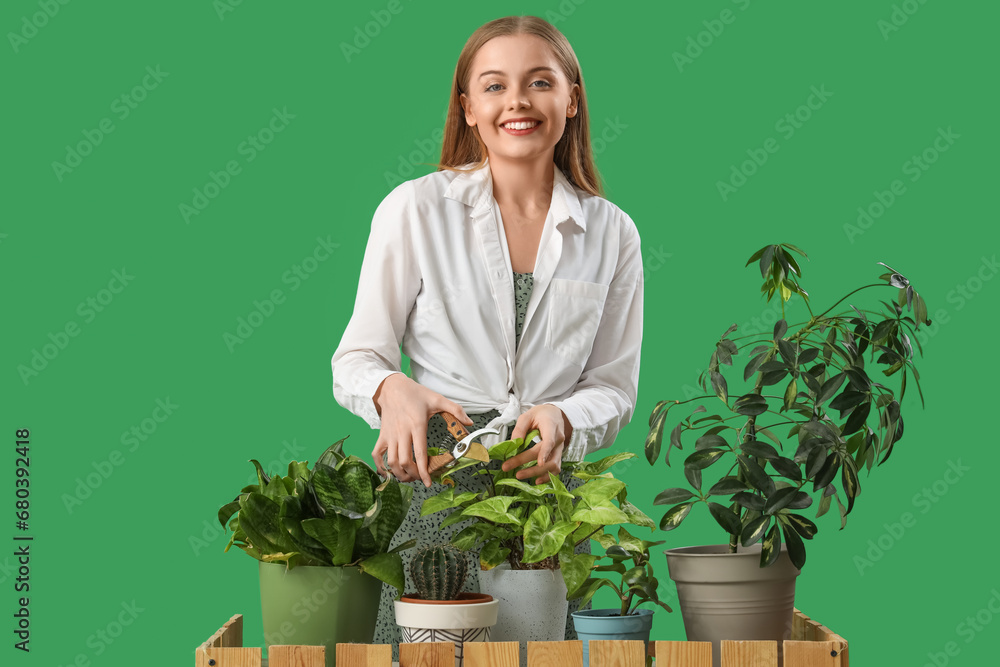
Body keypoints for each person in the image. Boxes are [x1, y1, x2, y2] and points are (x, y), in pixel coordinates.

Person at [331, 15, 643, 654]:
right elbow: (356, 358)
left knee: (542, 652)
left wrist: (561, 414)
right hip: (437, 494)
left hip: (548, 509)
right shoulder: (414, 209)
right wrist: (393, 389)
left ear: (572, 98)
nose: (518, 102)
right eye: (495, 86)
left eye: (539, 82)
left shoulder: (613, 233)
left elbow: (613, 386)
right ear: (468, 107)